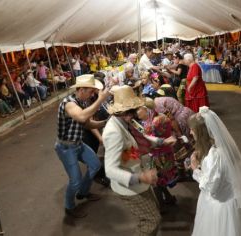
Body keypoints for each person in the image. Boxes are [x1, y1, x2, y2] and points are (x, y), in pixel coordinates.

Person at [103, 86, 170, 235]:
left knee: (153, 215)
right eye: (130, 111)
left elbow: (142, 137)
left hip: (140, 179)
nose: (133, 115)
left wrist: (161, 141)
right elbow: (110, 170)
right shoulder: (114, 132)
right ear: (120, 111)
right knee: (151, 220)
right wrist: (139, 177)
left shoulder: (126, 122)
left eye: (133, 110)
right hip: (129, 186)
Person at [188, 106, 241, 236]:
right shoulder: (221, 148)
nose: (190, 132)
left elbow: (211, 188)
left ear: (201, 132)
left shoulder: (214, 156)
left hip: (219, 207)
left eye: (192, 130)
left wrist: (195, 169)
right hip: (229, 201)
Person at [54, 74, 110, 218]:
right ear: (81, 90)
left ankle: (83, 193)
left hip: (78, 143)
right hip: (66, 148)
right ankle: (69, 207)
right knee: (75, 180)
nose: (92, 94)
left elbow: (87, 123)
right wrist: (100, 99)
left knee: (95, 165)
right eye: (91, 91)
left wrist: (105, 122)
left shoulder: (82, 103)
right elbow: (81, 117)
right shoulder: (69, 103)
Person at [136, 101, 178, 209]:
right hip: (164, 152)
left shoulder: (153, 123)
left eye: (138, 109)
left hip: (159, 155)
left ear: (146, 109)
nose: (137, 112)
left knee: (155, 181)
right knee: (159, 180)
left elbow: (152, 143)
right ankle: (168, 198)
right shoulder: (159, 117)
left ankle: (161, 206)